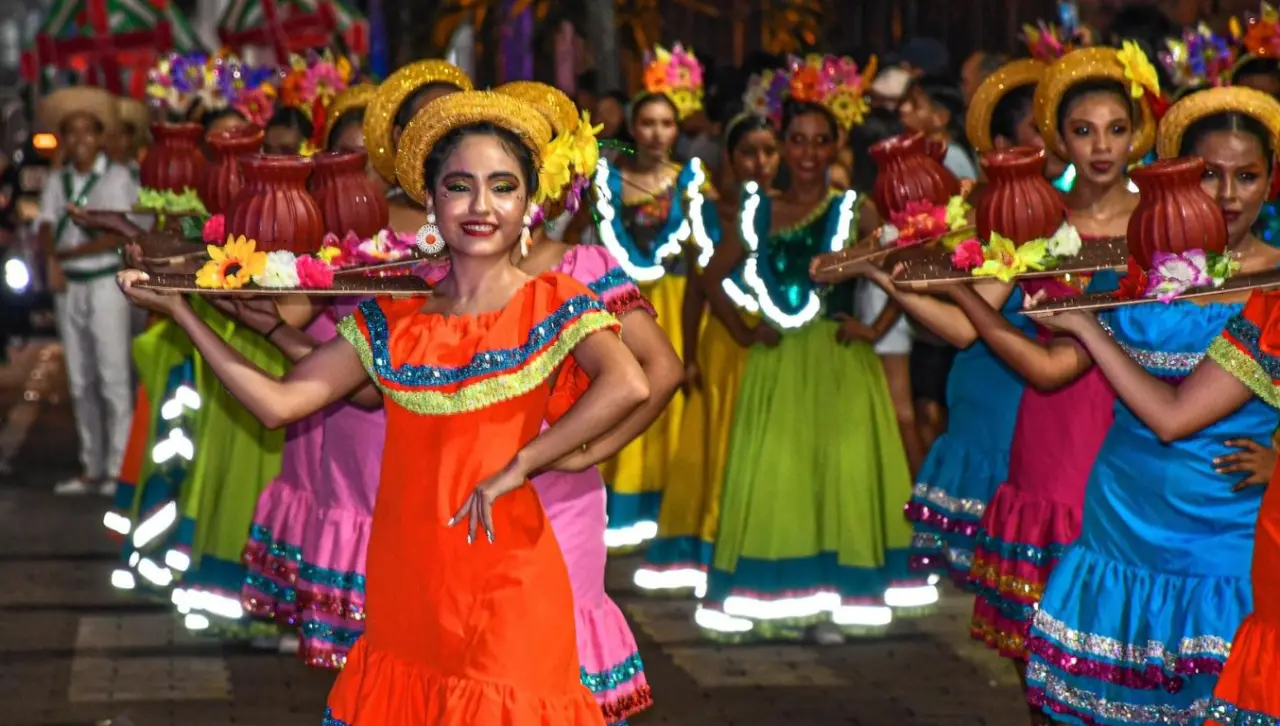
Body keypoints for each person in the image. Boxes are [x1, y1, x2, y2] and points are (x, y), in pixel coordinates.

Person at [119, 89, 649, 726]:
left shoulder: (553, 299)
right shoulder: (396, 319)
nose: (481, 207)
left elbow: (631, 382)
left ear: (528, 202)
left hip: (510, 573)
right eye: (459, 187)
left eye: (502, 186)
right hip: (409, 582)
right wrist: (182, 312)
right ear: (430, 201)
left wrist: (526, 462)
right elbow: (279, 403)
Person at [1021, 85, 1280, 725]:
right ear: (1180, 182)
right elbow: (1048, 366)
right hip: (1122, 512)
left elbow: (1170, 418)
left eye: (1246, 176)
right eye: (1209, 175)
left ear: (1272, 182)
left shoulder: (1274, 284)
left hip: (1227, 527)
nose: (1228, 194)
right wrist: (939, 284)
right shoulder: (1145, 273)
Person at [696, 85, 926, 644]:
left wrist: (873, 328)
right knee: (782, 475)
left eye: (820, 142)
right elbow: (710, 276)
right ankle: (777, 596)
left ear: (835, 147)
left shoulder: (854, 209)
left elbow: (907, 268)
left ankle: (831, 601)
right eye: (796, 140)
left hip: (839, 363)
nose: (807, 153)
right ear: (781, 145)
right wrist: (744, 330)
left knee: (836, 475)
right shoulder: (758, 210)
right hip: (778, 365)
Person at [638, 110, 780, 593]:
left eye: (768, 151)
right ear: (731, 159)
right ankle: (719, 544)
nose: (760, 162)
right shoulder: (712, 211)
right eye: (749, 153)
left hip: (778, 340)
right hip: (729, 341)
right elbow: (701, 288)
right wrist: (694, 353)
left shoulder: (788, 208)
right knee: (724, 442)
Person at [591, 45, 716, 550]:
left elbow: (707, 247)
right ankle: (622, 507)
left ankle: (672, 507)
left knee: (674, 395)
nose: (657, 133)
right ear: (632, 126)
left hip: (679, 298)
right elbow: (583, 232)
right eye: (647, 123)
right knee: (626, 389)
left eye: (667, 123)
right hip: (622, 302)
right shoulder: (608, 178)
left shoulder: (691, 181)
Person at [36, 86, 140, 496]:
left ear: (100, 137)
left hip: (105, 282)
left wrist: (65, 255)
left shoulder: (119, 177)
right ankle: (91, 467)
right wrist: (50, 260)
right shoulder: (57, 179)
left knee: (113, 377)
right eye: (72, 132)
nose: (80, 140)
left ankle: (119, 470)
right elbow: (45, 223)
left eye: (88, 131)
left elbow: (119, 235)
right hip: (70, 287)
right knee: (80, 380)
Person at [363, 59, 472, 234]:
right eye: (429, 127)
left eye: (458, 129)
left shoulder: (494, 212)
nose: (446, 143)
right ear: (400, 137)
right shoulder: (373, 221)